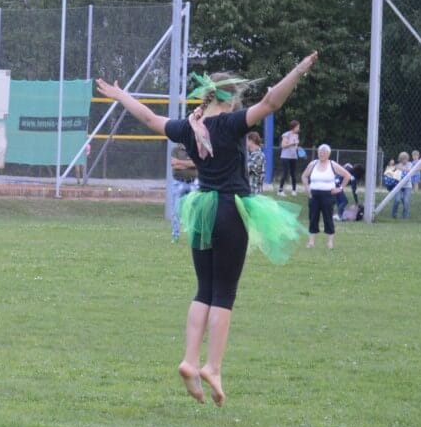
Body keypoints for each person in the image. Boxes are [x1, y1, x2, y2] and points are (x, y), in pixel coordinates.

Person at [95, 54, 316, 406]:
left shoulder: (189, 126)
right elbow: (271, 102)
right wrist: (299, 70)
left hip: (201, 208)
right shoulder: (231, 124)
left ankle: (189, 359)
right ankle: (212, 366)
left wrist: (122, 96)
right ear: (230, 98)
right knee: (224, 294)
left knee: (204, 290)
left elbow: (150, 118)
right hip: (230, 209)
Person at [303, 143, 356, 249]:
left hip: (328, 195)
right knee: (313, 218)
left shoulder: (332, 165)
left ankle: (330, 243)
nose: (322, 154)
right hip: (314, 195)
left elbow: (347, 175)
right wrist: (307, 188)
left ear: (328, 154)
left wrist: (340, 188)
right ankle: (311, 242)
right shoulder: (313, 164)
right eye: (320, 152)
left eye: (324, 152)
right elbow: (304, 176)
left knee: (328, 218)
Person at [169, 145, 198, 243]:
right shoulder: (175, 150)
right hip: (179, 183)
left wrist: (180, 162)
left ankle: (194, 235)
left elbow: (196, 163)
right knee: (176, 210)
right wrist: (189, 164)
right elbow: (174, 165)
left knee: (194, 210)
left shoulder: (194, 148)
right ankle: (175, 235)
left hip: (193, 183)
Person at [275, 119, 302, 194]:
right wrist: (292, 144)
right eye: (298, 127)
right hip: (285, 156)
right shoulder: (286, 134)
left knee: (293, 173)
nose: (298, 128)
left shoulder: (296, 135)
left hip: (294, 157)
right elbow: (283, 145)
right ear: (293, 127)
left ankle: (294, 190)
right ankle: (280, 191)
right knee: (285, 173)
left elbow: (295, 147)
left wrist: (298, 148)